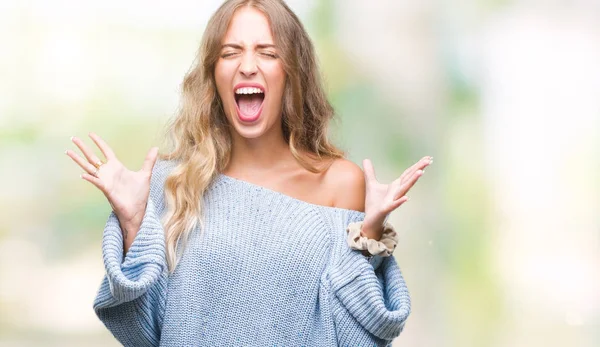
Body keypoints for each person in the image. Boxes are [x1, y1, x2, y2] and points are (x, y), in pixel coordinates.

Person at [66, 0, 432, 345]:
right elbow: (143, 334)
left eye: (268, 52)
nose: (247, 65)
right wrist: (133, 224)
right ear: (213, 74)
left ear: (292, 73)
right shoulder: (175, 184)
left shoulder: (340, 184)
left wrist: (369, 233)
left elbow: (357, 336)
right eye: (230, 52)